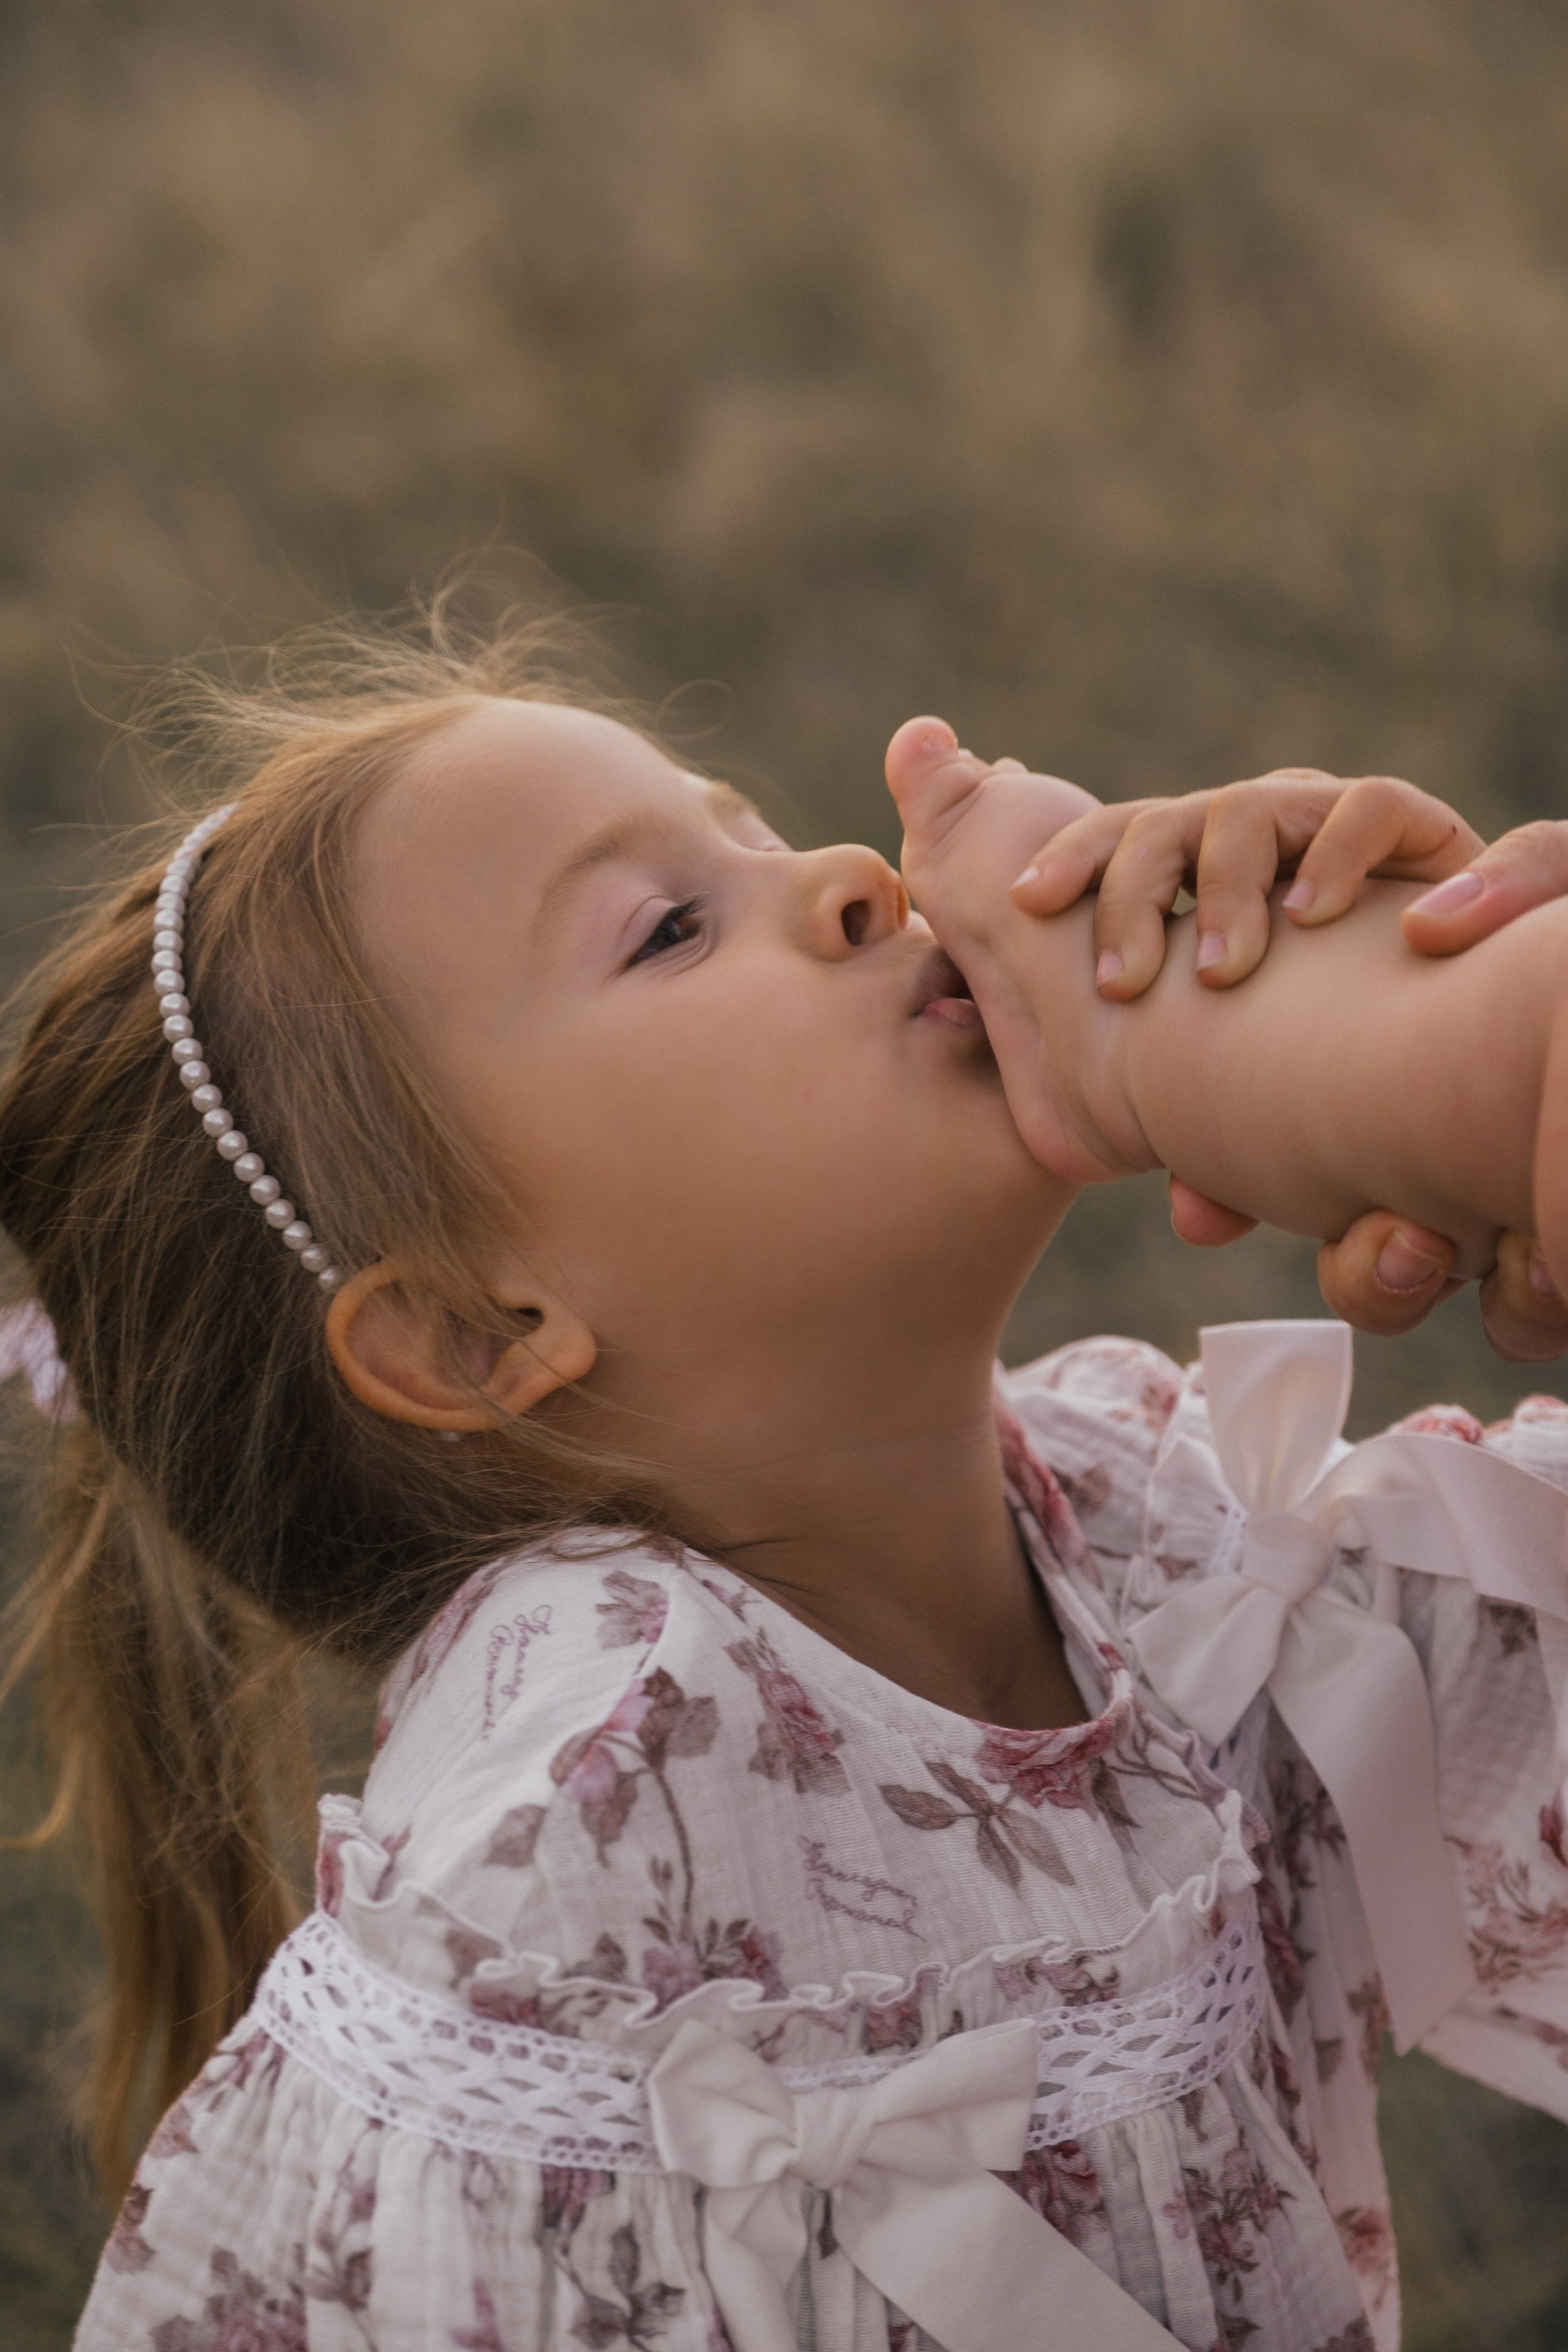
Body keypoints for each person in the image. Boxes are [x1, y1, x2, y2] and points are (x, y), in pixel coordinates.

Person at [4, 608, 1567, 2352]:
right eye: (670, 927)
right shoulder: (592, 1863)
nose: (843, 872)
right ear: (472, 1333)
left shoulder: (1163, 1541)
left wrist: (1426, 1040)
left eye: (745, 826)